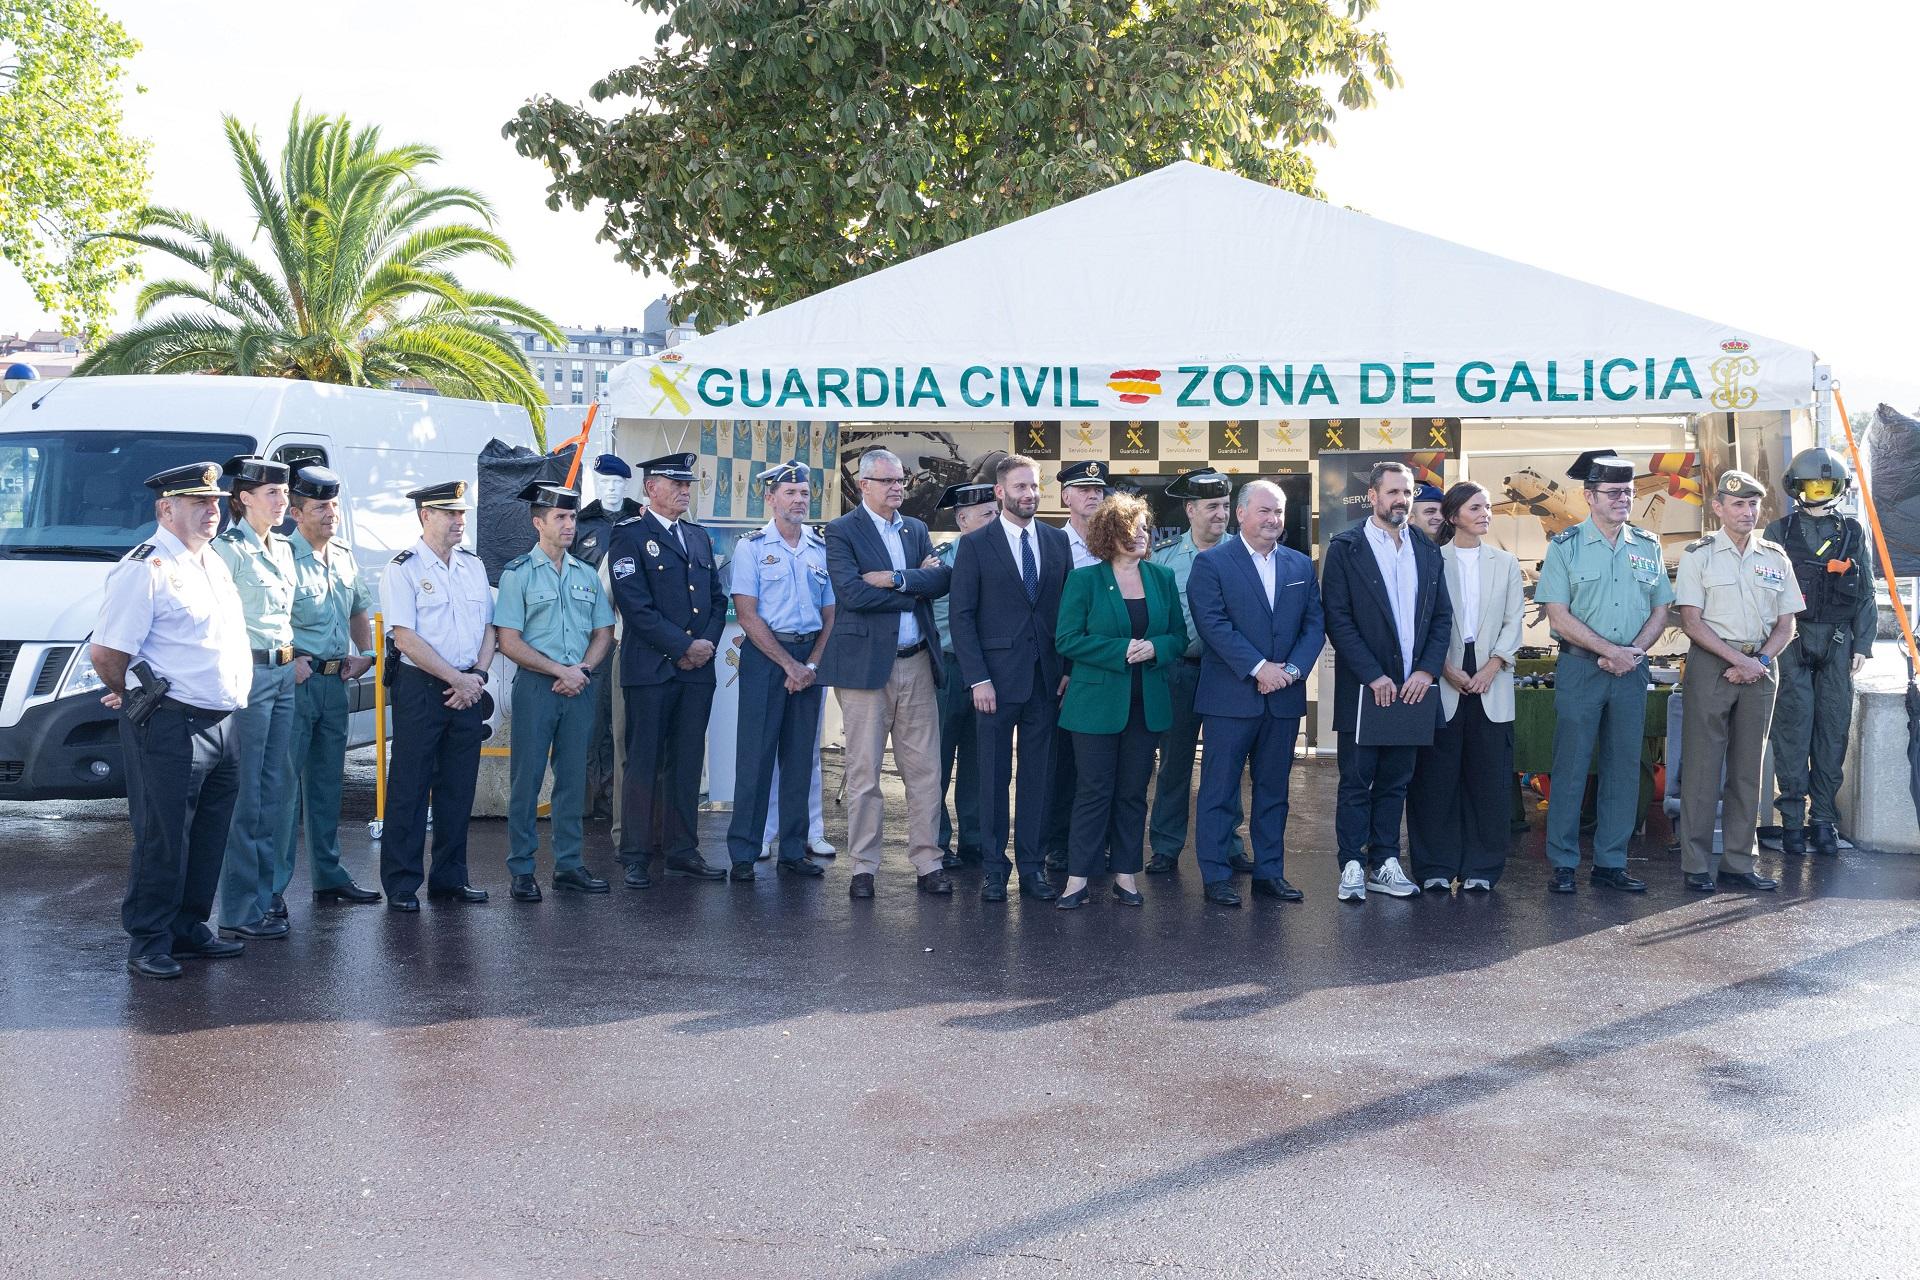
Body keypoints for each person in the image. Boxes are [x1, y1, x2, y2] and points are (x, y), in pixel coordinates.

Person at [91, 463, 253, 978]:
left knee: (209, 833)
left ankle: (187, 927)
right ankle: (149, 939)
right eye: (197, 503)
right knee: (165, 835)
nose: (212, 510)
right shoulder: (146, 567)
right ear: (166, 509)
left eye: (215, 501)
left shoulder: (214, 563)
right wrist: (139, 697)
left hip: (223, 720)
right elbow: (108, 653)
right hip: (172, 723)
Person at [816, 448, 954, 899]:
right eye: (888, 481)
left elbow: (940, 582)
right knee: (864, 774)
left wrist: (894, 579)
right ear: (864, 485)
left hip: (917, 662)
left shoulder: (915, 529)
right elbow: (853, 594)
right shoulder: (840, 531)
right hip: (863, 670)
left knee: (925, 772)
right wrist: (914, 584)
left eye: (901, 481)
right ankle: (864, 867)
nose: (898, 488)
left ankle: (928, 862)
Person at [1533, 450, 1673, 894]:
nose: (1623, 500)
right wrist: (1609, 650)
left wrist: (1631, 652)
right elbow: (1556, 613)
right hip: (1581, 667)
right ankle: (1563, 863)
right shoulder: (1565, 545)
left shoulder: (1648, 546)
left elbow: (1661, 608)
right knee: (1570, 766)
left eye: (1628, 492)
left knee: (1624, 767)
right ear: (1589, 496)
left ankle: (1612, 862)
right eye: (1613, 493)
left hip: (1630, 670)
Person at [1187, 479, 1325, 906]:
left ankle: (1270, 873)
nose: (1273, 519)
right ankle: (1215, 876)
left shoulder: (1301, 566)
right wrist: (1259, 667)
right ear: (1240, 514)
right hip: (1230, 698)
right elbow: (1213, 624)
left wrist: (1293, 670)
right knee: (1218, 791)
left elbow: (1314, 625)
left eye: (1279, 512)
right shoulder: (1212, 564)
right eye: (1264, 511)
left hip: (1282, 697)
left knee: (1274, 792)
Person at [1321, 460, 1451, 902]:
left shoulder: (1427, 549)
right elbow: (1336, 619)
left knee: (1396, 780)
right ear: (1372, 496)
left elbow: (1441, 618)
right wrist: (1372, 674)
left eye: (1407, 492)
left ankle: (1386, 861)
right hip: (1364, 688)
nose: (1401, 499)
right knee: (1357, 780)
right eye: (1393, 492)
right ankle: (1352, 864)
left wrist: (1426, 670)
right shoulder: (1347, 546)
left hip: (1412, 689)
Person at [1052, 493, 1185, 909]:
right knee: (1093, 792)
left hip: (1146, 705)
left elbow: (1179, 637)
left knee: (1131, 793)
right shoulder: (1085, 580)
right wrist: (1122, 650)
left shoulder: (1161, 578)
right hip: (1094, 707)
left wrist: (1156, 648)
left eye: (1145, 527)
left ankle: (1126, 876)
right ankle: (1077, 880)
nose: (1143, 534)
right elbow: (1067, 639)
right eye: (1134, 527)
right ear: (1112, 534)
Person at [1674, 470, 1803, 893]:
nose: (1747, 512)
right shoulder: (1699, 554)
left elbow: (1787, 624)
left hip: (1763, 664)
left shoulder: (1775, 556)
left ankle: (1738, 862)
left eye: (1752, 504)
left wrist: (1759, 660)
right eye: (1737, 505)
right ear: (1718, 509)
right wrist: (1737, 660)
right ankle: (1695, 864)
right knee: (1702, 768)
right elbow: (1691, 621)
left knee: (1750, 770)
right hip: (1714, 662)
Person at [950, 455, 1071, 902]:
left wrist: (1068, 671)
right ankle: (995, 870)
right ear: (1000, 492)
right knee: (993, 777)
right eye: (1020, 487)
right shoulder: (976, 545)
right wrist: (977, 679)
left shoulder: (1057, 543)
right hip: (994, 685)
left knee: (1039, 779)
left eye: (1035, 487)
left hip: (1047, 681)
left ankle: (1033, 868)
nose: (1030, 494)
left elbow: (1068, 614)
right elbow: (962, 618)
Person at [606, 453, 729, 888]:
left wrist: (705, 646)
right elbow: (634, 606)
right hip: (652, 669)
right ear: (650, 488)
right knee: (643, 761)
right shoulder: (629, 536)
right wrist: (682, 647)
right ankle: (636, 853)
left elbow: (717, 599)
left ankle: (682, 850)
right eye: (674, 483)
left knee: (687, 761)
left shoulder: (697, 537)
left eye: (687, 484)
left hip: (696, 671)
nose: (684, 490)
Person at [494, 482, 616, 902]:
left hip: (578, 686)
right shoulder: (517, 574)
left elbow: (604, 631)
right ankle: (522, 869)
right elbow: (507, 640)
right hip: (536, 687)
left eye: (573, 517)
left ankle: (569, 865)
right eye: (560, 518)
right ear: (538, 523)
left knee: (572, 779)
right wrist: (558, 669)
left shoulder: (585, 573)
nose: (570, 525)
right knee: (526, 780)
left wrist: (581, 668)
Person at [379, 480, 496, 911]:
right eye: (450, 514)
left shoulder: (472, 565)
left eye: (461, 514)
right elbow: (405, 638)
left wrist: (477, 675)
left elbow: (488, 627)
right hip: (423, 689)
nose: (459, 521)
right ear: (425, 516)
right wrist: (458, 680)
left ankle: (450, 878)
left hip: (467, 687)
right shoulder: (403, 568)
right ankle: (402, 883)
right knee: (410, 787)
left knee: (458, 787)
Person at [1406, 482, 1525, 892]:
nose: (1485, 513)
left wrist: (1494, 665)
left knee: (1488, 777)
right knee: (1435, 778)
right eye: (1476, 507)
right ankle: (1434, 866)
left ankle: (1482, 868)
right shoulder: (1429, 560)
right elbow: (1420, 623)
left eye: (1488, 506)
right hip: (1443, 674)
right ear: (1454, 516)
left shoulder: (1506, 563)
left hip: (1492, 676)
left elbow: (1515, 622)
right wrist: (1443, 668)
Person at [276, 465, 381, 910]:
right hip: (297, 685)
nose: (330, 514)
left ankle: (328, 876)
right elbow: (268, 614)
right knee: (284, 791)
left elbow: (358, 608)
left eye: (334, 505)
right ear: (296, 513)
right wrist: (289, 658)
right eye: (320, 507)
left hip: (336, 683)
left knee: (325, 787)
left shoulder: (341, 554)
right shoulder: (281, 556)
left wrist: (366, 653)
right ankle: (272, 889)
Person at [725, 460, 835, 882]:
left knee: (800, 759)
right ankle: (744, 853)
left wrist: (810, 665)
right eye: (790, 493)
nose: (799, 500)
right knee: (755, 758)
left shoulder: (820, 547)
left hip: (808, 661)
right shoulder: (751, 547)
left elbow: (831, 612)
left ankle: (793, 849)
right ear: (770, 499)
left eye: (804, 493)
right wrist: (790, 664)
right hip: (767, 661)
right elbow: (748, 615)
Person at [1768, 447, 1878, 857]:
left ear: (1838, 487)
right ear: (1796, 487)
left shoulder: (1851, 532)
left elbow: (1866, 590)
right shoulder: (1778, 533)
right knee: (1791, 733)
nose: (1818, 491)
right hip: (1791, 641)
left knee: (1832, 732)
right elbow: (1765, 592)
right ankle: (1793, 822)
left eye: (1826, 484)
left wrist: (1863, 644)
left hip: (1837, 642)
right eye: (1811, 484)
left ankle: (1824, 821)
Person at [210, 455, 298, 942]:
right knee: (247, 795)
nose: (282, 501)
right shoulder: (228, 552)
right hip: (250, 675)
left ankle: (265, 898)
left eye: (284, 493)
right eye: (272, 493)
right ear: (244, 498)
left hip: (284, 673)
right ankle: (240, 908)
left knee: (275, 790)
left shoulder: (282, 549)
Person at [1146, 468, 1249, 875]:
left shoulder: (1245, 552)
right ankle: (1166, 846)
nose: (1220, 514)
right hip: (1181, 670)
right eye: (1211, 507)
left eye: (1225, 506)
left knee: (1227, 763)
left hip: (1229, 673)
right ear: (1190, 510)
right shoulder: (1164, 557)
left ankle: (1230, 844)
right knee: (1174, 762)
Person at [1040, 460, 1111, 871]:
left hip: (1105, 669)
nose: (1093, 495)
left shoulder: (1115, 544)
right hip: (1063, 671)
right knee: (1062, 763)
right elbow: (1048, 616)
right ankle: (1058, 843)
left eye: (1099, 489)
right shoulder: (1050, 544)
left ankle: (1097, 843)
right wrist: (1063, 667)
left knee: (1101, 765)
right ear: (1065, 496)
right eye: (1083, 488)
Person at [929, 480, 999, 868]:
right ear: (962, 519)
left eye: (995, 513)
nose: (993, 520)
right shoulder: (941, 560)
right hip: (947, 671)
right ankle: (937, 843)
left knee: (980, 761)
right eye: (985, 514)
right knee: (936, 761)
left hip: (990, 673)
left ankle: (975, 840)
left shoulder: (1006, 557)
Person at [572, 453, 642, 569]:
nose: (611, 487)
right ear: (597, 485)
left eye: (617, 481)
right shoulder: (580, 523)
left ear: (626, 485)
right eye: (605, 481)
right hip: (592, 586)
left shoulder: (641, 519)